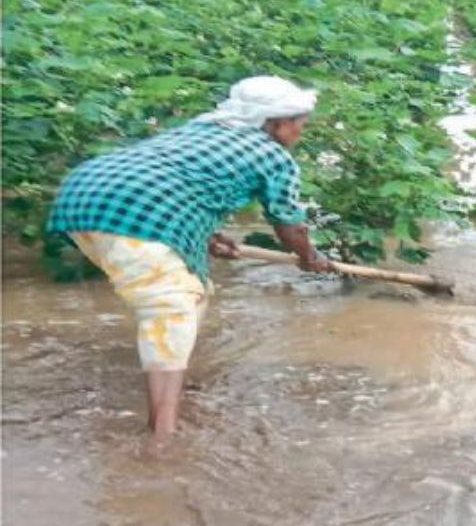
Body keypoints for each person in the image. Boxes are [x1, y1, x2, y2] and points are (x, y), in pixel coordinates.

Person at [47, 75, 335, 451]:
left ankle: (173, 379)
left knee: (194, 292)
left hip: (81, 198)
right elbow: (289, 223)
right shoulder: (273, 155)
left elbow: (175, 182)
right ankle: (163, 438)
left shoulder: (202, 128)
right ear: (277, 122)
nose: (301, 130)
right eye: (299, 122)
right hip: (134, 214)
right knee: (172, 308)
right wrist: (309, 257)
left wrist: (207, 236)